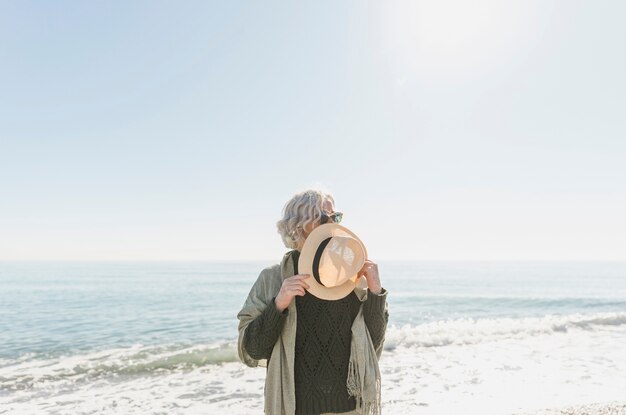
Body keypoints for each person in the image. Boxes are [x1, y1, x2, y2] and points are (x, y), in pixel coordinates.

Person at [237, 189, 389, 415]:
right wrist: (278, 305)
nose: (332, 223)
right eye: (322, 216)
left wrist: (376, 294)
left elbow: (373, 345)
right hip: (295, 409)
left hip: (351, 409)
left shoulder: (351, 277)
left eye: (336, 217)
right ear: (299, 226)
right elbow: (251, 350)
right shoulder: (273, 278)